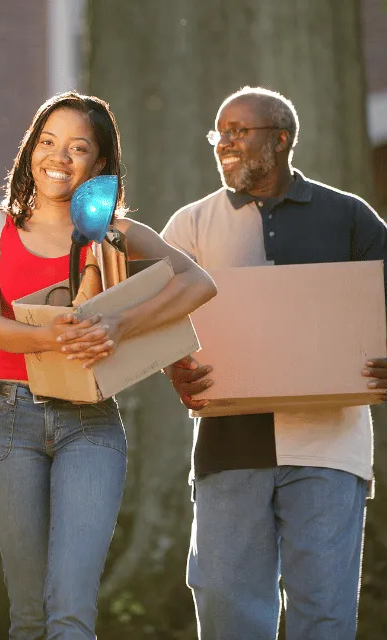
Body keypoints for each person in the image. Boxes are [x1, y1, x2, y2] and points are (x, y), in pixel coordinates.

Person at [0, 91, 216, 640]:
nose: (59, 156)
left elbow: (200, 282)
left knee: (72, 611)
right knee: (28, 614)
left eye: (78, 147)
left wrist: (123, 325)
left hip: (92, 425)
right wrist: (55, 332)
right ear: (31, 150)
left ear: (98, 163)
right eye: (48, 142)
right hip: (9, 422)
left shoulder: (114, 235)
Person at [162, 86, 387, 640]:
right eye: (221, 134)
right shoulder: (190, 226)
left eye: (240, 132)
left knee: (325, 611)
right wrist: (175, 367)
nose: (226, 144)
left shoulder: (348, 216)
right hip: (230, 442)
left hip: (330, 444)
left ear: (281, 139)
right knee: (225, 603)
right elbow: (151, 316)